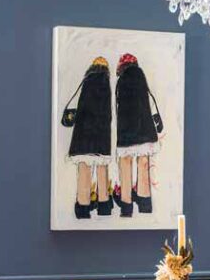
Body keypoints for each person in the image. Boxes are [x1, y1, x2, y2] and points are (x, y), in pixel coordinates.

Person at [114, 53, 163, 216]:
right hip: (145, 129)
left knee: (125, 164)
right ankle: (145, 204)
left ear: (121, 67)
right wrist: (157, 120)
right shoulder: (141, 77)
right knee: (143, 164)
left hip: (127, 130)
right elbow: (151, 99)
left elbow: (117, 108)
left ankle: (126, 206)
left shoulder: (120, 82)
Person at [67, 56, 113, 219]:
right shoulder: (105, 84)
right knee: (102, 168)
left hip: (83, 135)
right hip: (101, 134)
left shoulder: (86, 82)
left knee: (84, 169)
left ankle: (83, 207)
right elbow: (108, 114)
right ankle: (104, 206)